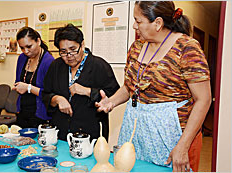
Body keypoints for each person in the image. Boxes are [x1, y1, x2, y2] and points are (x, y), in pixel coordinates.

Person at [95, 1, 211, 172]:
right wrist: (111, 102)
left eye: (138, 21)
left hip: (173, 135)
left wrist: (183, 146)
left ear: (158, 23)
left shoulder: (187, 48)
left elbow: (204, 99)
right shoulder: (136, 47)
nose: (134, 26)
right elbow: (130, 87)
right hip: (136, 129)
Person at [42, 24, 119, 141]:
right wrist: (57, 99)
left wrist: (88, 91)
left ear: (82, 44)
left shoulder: (99, 65)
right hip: (59, 132)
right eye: (63, 52)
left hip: (88, 132)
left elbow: (114, 96)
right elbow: (46, 94)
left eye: (73, 50)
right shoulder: (56, 66)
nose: (69, 56)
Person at [13, 27, 54, 128]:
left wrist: (28, 88)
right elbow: (18, 81)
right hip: (23, 111)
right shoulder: (22, 58)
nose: (26, 51)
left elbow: (50, 95)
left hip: (40, 114)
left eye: (29, 46)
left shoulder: (49, 61)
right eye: (22, 48)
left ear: (38, 41)